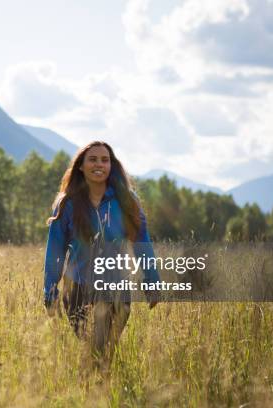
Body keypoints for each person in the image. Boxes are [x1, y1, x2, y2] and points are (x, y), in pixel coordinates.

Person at [43, 141, 160, 366]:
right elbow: (55, 250)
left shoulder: (127, 200)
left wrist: (152, 281)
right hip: (77, 289)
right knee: (95, 350)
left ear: (111, 165)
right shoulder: (67, 203)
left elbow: (141, 241)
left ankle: (97, 392)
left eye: (104, 160)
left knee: (105, 352)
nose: (99, 164)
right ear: (81, 166)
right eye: (93, 159)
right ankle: (94, 391)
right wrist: (50, 291)